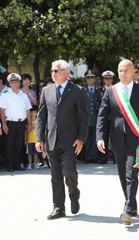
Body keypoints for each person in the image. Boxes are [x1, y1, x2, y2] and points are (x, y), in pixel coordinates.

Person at [96, 59, 139, 225]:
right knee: (123, 173)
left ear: (134, 72)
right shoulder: (111, 91)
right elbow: (102, 116)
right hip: (116, 139)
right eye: (120, 71)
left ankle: (127, 209)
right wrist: (100, 137)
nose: (123, 74)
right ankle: (132, 204)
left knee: (131, 173)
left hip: (136, 139)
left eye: (126, 71)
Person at [36, 59, 88, 220]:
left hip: (70, 140)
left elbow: (83, 117)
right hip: (52, 139)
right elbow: (41, 116)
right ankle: (58, 207)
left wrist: (81, 138)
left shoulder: (77, 91)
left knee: (68, 172)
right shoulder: (46, 90)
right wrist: (39, 138)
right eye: (52, 71)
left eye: (56, 70)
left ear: (66, 72)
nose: (53, 73)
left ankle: (74, 194)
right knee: (55, 175)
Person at [0, 73, 32, 172]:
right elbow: (2, 111)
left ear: (19, 83)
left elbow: (28, 110)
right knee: (9, 145)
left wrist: (30, 124)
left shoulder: (24, 95)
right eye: (12, 82)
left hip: (21, 123)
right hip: (10, 123)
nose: (15, 84)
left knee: (19, 145)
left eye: (16, 81)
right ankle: (10, 166)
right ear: (9, 83)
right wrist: (4, 124)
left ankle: (17, 164)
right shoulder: (5, 95)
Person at [82, 70, 102, 163]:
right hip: (85, 119)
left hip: (96, 118)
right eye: (88, 77)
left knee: (95, 137)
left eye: (92, 77)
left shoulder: (99, 90)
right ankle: (87, 157)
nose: (90, 79)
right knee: (86, 137)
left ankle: (94, 157)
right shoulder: (82, 91)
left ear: (95, 79)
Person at [99, 70, 116, 164]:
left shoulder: (116, 91)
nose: (108, 80)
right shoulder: (99, 90)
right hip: (104, 118)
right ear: (103, 80)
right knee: (103, 137)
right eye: (106, 78)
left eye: (109, 78)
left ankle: (115, 157)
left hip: (113, 118)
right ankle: (103, 157)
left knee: (114, 138)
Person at [26, 105, 39, 170]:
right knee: (29, 153)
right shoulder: (28, 121)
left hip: (36, 139)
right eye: (32, 112)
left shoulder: (38, 120)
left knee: (35, 153)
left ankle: (35, 163)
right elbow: (26, 130)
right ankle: (30, 164)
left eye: (35, 112)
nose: (33, 114)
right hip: (29, 139)